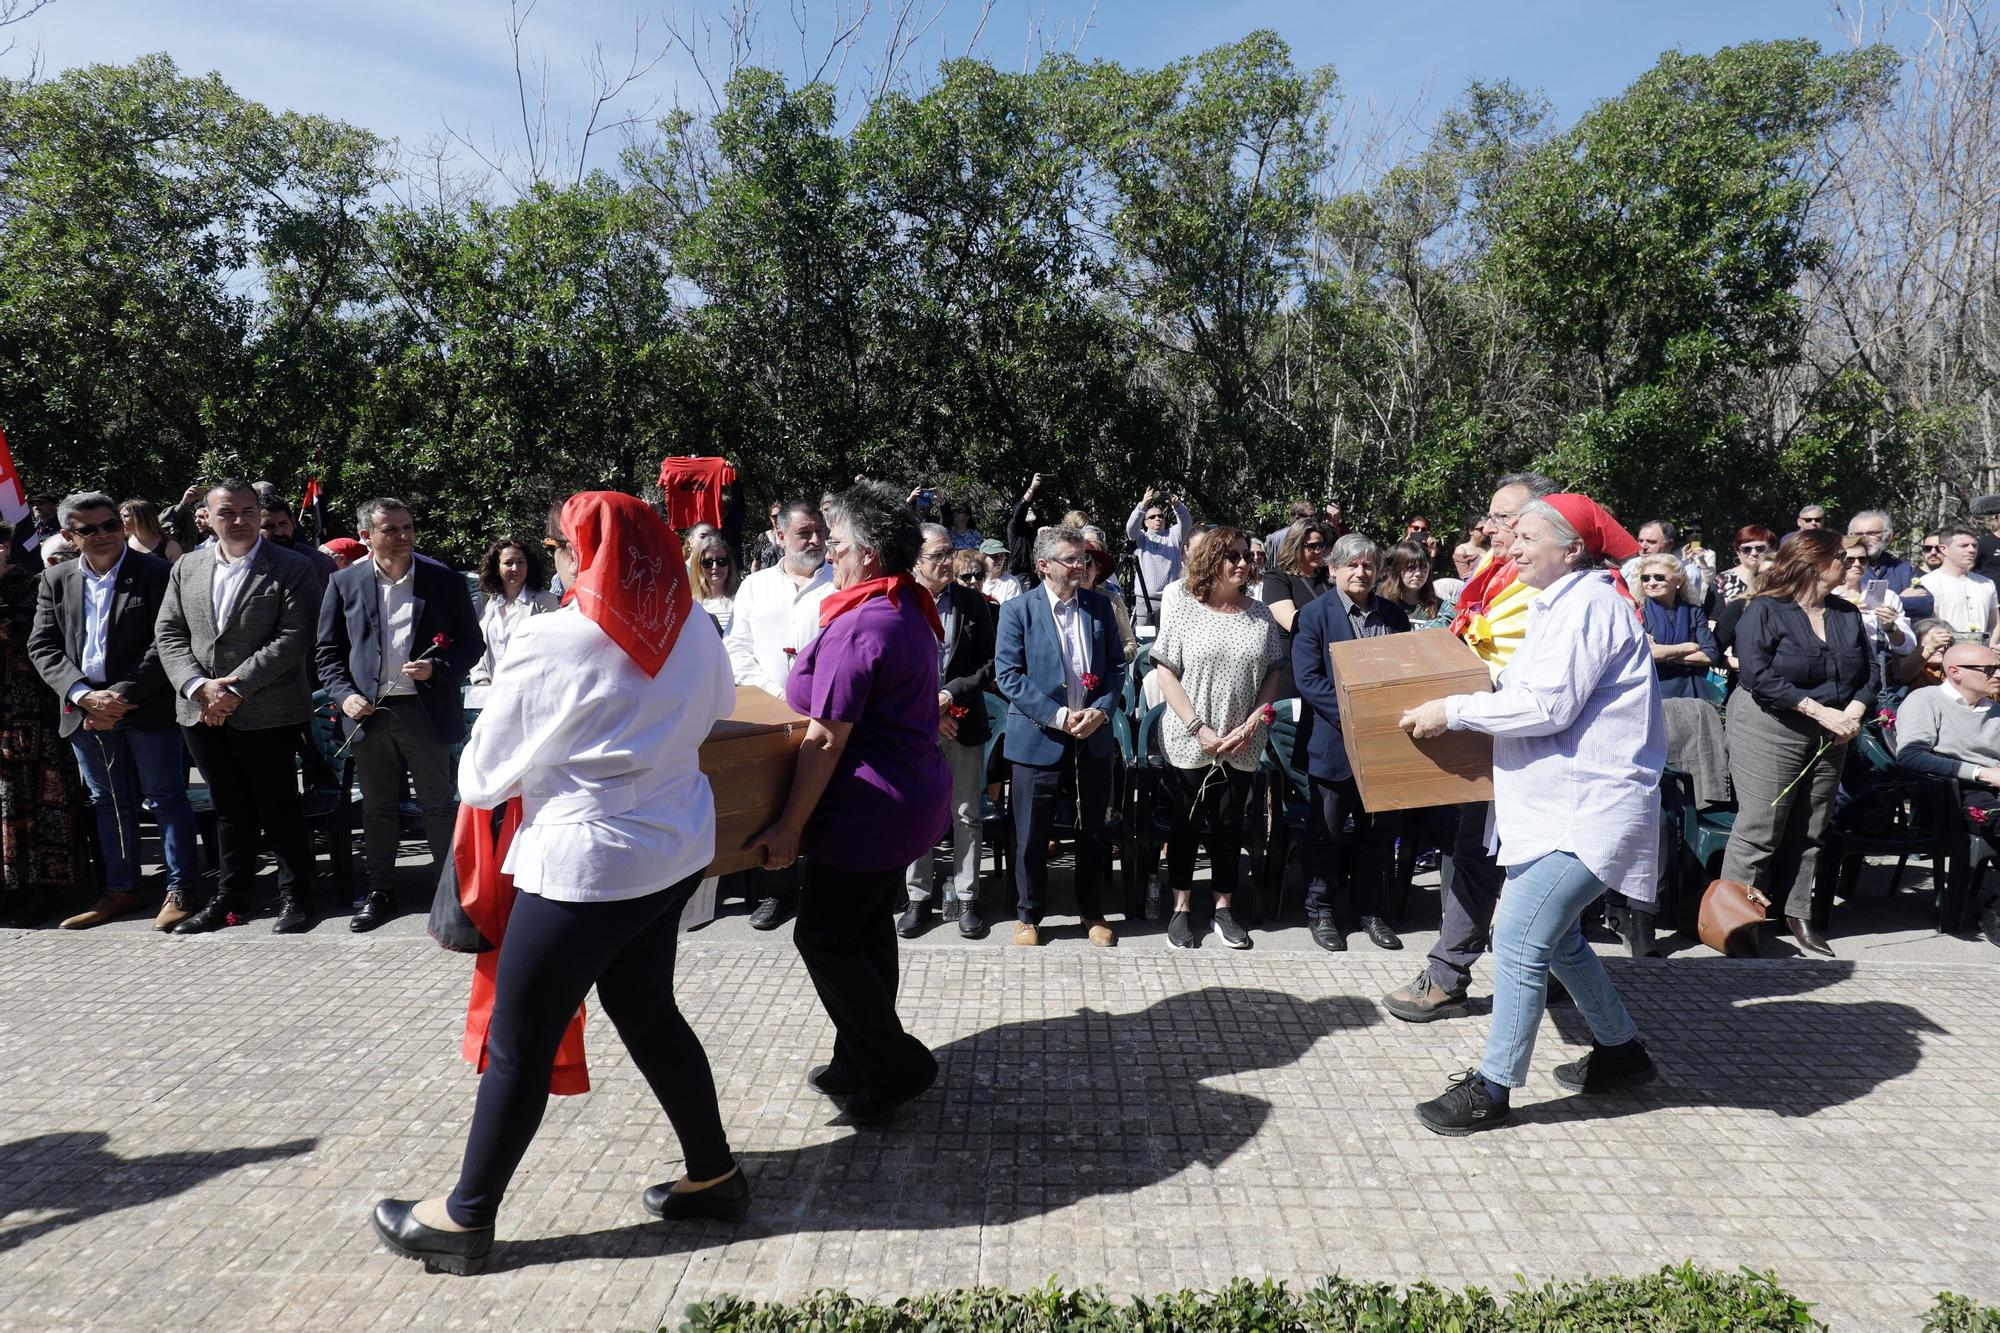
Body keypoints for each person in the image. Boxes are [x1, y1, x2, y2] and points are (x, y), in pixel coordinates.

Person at [371, 491, 746, 1277]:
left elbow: (481, 775)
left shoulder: (553, 638)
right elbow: (714, 712)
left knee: (519, 1041)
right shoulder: (695, 628)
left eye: (560, 549)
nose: (557, 564)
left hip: (589, 865)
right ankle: (713, 1172)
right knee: (646, 1008)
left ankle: (463, 1217)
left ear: (584, 553)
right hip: (672, 849)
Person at [1398, 493, 1664, 1135]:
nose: (1508, 546)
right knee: (1561, 937)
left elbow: (1548, 708)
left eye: (1524, 537)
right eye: (1507, 536)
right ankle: (1622, 1053)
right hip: (1560, 808)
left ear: (1571, 550)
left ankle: (1492, 1087)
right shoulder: (1563, 606)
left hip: (1585, 811)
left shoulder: (1589, 607)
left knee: (1518, 936)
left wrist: (1453, 711)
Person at [744, 481, 948, 1126]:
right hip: (904, 801)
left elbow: (826, 738)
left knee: (824, 937)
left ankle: (892, 1064)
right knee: (863, 930)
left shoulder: (861, 623)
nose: (829, 554)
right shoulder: (906, 607)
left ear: (869, 552)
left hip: (868, 811)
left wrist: (787, 824)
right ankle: (856, 1059)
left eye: (837, 544)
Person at [1385, 470, 1579, 1024]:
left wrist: (1459, 709)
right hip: (1490, 736)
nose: (1492, 529)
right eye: (1493, 518)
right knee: (1478, 853)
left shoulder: (1569, 590)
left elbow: (1543, 690)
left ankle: (1456, 976)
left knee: (1518, 861)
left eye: (1505, 519)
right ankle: (1465, 973)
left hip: (1535, 746)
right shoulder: (1498, 572)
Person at [154, 479, 320, 934]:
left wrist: (234, 689)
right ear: (207, 517)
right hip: (198, 710)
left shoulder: (291, 566)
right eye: (228, 513)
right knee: (228, 808)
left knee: (279, 804)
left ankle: (297, 895)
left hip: (269, 708)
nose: (240, 521)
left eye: (248, 511)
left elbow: (293, 637)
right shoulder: (187, 566)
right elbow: (168, 633)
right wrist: (197, 687)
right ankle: (231, 898)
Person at [28, 492, 200, 930]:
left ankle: (181, 889)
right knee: (108, 802)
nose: (104, 534)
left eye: (110, 524)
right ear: (69, 534)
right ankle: (122, 889)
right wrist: (84, 695)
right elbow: (42, 645)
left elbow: (167, 641)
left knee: (167, 798)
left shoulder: (158, 572)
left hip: (144, 707)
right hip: (85, 711)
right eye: (90, 529)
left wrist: (118, 697)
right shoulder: (55, 579)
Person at [318, 498, 484, 932]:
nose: (403, 536)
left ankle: (450, 889)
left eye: (408, 526)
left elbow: (471, 644)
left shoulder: (442, 581)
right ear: (367, 536)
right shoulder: (345, 583)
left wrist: (439, 669)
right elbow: (327, 652)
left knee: (437, 802)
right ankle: (380, 889)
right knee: (377, 806)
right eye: (390, 529)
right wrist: (344, 695)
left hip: (425, 710)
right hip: (370, 713)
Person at [1719, 529, 1874, 958]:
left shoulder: (1845, 612)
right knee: (1760, 825)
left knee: (1813, 826)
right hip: (1771, 724)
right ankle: (1735, 919)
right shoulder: (1764, 610)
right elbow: (1758, 676)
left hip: (1834, 729)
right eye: (1841, 557)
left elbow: (1870, 671)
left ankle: (1797, 913)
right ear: (1815, 563)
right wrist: (1819, 711)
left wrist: (1854, 712)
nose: (1850, 564)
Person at [1150, 526, 1283, 951]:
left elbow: (1274, 670)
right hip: (1191, 737)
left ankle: (1224, 908)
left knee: (1229, 825)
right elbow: (1165, 669)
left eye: (1247, 556)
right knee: (1185, 826)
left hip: (1242, 739)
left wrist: (1252, 723)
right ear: (1212, 560)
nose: (1243, 563)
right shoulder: (1186, 607)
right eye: (1233, 556)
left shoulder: (1260, 614)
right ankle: (1182, 909)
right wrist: (1197, 727)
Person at [993, 525, 1127, 947]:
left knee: (1092, 832)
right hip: (1038, 738)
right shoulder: (1019, 610)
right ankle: (1029, 915)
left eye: (1083, 559)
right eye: (1070, 559)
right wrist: (1057, 715)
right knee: (1032, 834)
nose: (1080, 566)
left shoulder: (1099, 607)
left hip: (1092, 737)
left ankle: (1092, 913)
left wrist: (1101, 711)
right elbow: (1008, 676)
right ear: (1043, 565)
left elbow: (1116, 669)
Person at [1292, 533, 1408, 953]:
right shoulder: (1313, 615)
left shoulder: (1394, 615)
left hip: (1384, 747)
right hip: (1332, 744)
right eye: (1352, 565)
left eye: (1369, 566)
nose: (1361, 572)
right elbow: (1309, 681)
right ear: (1333, 569)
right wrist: (1358, 716)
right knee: (1326, 832)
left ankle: (1369, 911)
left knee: (1377, 833)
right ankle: (1320, 912)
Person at [723, 500, 833, 930]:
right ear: (780, 536)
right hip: (771, 716)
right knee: (770, 802)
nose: (816, 540)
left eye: (820, 531)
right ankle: (776, 891)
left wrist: (813, 698)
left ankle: (823, 891)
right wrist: (778, 696)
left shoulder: (838, 584)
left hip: (827, 714)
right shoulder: (756, 586)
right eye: (805, 532)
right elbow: (737, 648)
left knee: (823, 800)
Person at [898, 524, 996, 939]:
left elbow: (990, 665)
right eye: (936, 555)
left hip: (964, 723)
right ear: (915, 562)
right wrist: (929, 710)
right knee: (918, 811)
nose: (946, 562)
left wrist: (951, 694)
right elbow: (892, 666)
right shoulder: (899, 601)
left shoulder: (973, 603)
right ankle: (918, 898)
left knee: (966, 814)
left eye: (949, 553)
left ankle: (968, 897)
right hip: (914, 726)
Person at [1891, 642, 2000, 945]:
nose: (1999, 674)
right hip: (1951, 793)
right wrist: (1982, 773)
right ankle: (1994, 911)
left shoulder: (1995, 709)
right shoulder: (1926, 700)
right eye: (1989, 669)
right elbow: (1910, 756)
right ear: (1955, 672)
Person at [469, 538, 557, 699]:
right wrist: (481, 679)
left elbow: (551, 650)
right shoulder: (485, 601)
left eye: (521, 562)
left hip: (530, 693)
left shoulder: (545, 600)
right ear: (496, 567)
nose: (515, 568)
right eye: (508, 563)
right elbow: (474, 645)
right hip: (489, 692)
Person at [1634, 554, 1719, 700]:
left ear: (1678, 581)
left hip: (1690, 693)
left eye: (1659, 577)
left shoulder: (1694, 612)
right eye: (1645, 578)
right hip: (1653, 692)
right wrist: (1688, 647)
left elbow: (1711, 654)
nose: (1651, 583)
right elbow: (1648, 654)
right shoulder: (1638, 613)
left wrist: (1665, 654)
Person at [1260, 520, 1330, 698]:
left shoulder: (1329, 577)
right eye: (1312, 546)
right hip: (1292, 674)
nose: (1318, 551)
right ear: (1295, 545)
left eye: (1322, 545)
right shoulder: (1276, 578)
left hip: (1327, 671)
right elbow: (1293, 622)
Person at [1831, 536, 1913, 672]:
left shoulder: (1884, 595)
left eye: (1862, 560)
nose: (1857, 564)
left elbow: (1907, 647)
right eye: (1849, 559)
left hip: (1873, 671)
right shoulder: (1825, 595)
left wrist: (1890, 627)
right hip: (1835, 668)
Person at [1915, 525, 2000, 644]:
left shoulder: (1987, 583)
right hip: (1943, 656)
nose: (1971, 550)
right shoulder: (1928, 583)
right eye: (1964, 546)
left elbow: (1995, 624)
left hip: (1982, 656)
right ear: (1944, 549)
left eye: (1974, 545)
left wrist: (1989, 648)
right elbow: (1930, 627)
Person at [1124, 486, 1191, 628]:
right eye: (1152, 517)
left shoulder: (1173, 535)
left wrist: (1177, 505)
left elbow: (1186, 522)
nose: (1157, 519)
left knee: (1171, 640)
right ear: (1145, 522)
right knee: (1145, 642)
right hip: (1145, 600)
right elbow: (1130, 529)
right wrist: (1142, 505)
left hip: (1172, 599)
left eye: (1161, 516)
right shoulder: (1142, 538)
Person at [259, 495, 338, 598]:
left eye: (283, 524)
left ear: (293, 522)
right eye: (269, 526)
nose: (279, 532)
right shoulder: (246, 562)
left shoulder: (319, 563)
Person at [1620, 519, 1707, 606]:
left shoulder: (1688, 571)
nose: (1643, 547)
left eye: (1651, 542)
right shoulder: (1629, 566)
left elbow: (1691, 608)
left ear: (1669, 544)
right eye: (1640, 541)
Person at [1079, 535, 1137, 664]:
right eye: (1075, 563)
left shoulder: (1111, 600)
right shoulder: (1062, 602)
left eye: (1087, 563)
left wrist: (1108, 659)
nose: (1081, 569)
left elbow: (1129, 645)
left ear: (1097, 569)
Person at [1377, 539, 1448, 629]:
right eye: (1411, 567)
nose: (1418, 573)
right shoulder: (1380, 603)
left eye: (1423, 567)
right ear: (1398, 569)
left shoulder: (1440, 607)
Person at [684, 525, 739, 636]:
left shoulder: (743, 598)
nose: (715, 567)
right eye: (707, 563)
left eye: (721, 561)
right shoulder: (691, 606)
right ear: (699, 566)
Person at [1717, 525, 1775, 604]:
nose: (1753, 553)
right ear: (1738, 552)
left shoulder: (1781, 578)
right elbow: (1714, 616)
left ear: (1772, 549)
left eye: (1760, 548)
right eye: (1746, 549)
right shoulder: (1722, 580)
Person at [1896, 618, 1955, 691]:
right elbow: (1901, 676)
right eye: (1935, 643)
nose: (1941, 649)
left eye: (1944, 643)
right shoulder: (1902, 662)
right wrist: (1929, 649)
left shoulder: (1953, 668)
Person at [119, 498, 182, 563]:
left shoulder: (171, 547)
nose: (120, 520)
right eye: (120, 516)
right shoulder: (124, 542)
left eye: (125, 516)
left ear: (142, 518)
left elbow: (179, 572)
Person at [980, 539, 1022, 603]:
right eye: (994, 556)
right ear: (982, 558)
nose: (999, 560)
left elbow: (1014, 610)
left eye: (1002, 555)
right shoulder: (976, 579)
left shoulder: (1011, 582)